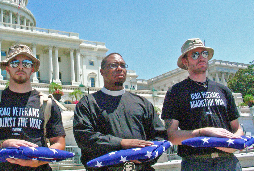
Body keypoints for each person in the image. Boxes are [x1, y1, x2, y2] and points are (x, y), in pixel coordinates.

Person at [0, 44, 66, 171]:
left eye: (26, 63)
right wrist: (3, 144)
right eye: (15, 63)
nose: (21, 66)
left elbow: (59, 144)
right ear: (7, 68)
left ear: (32, 69)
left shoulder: (47, 103)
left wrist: (37, 161)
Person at [73, 53, 167, 171]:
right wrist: (121, 144)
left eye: (123, 65)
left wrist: (144, 156)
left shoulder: (142, 103)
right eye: (113, 65)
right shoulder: (88, 103)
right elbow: (84, 137)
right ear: (101, 72)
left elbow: (160, 136)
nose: (119, 68)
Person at [161, 38, 244, 171]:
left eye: (204, 53)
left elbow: (237, 128)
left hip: (228, 162)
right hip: (196, 163)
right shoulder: (176, 92)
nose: (201, 58)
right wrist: (203, 133)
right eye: (195, 55)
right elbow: (172, 136)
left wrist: (233, 142)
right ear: (185, 61)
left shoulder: (223, 90)